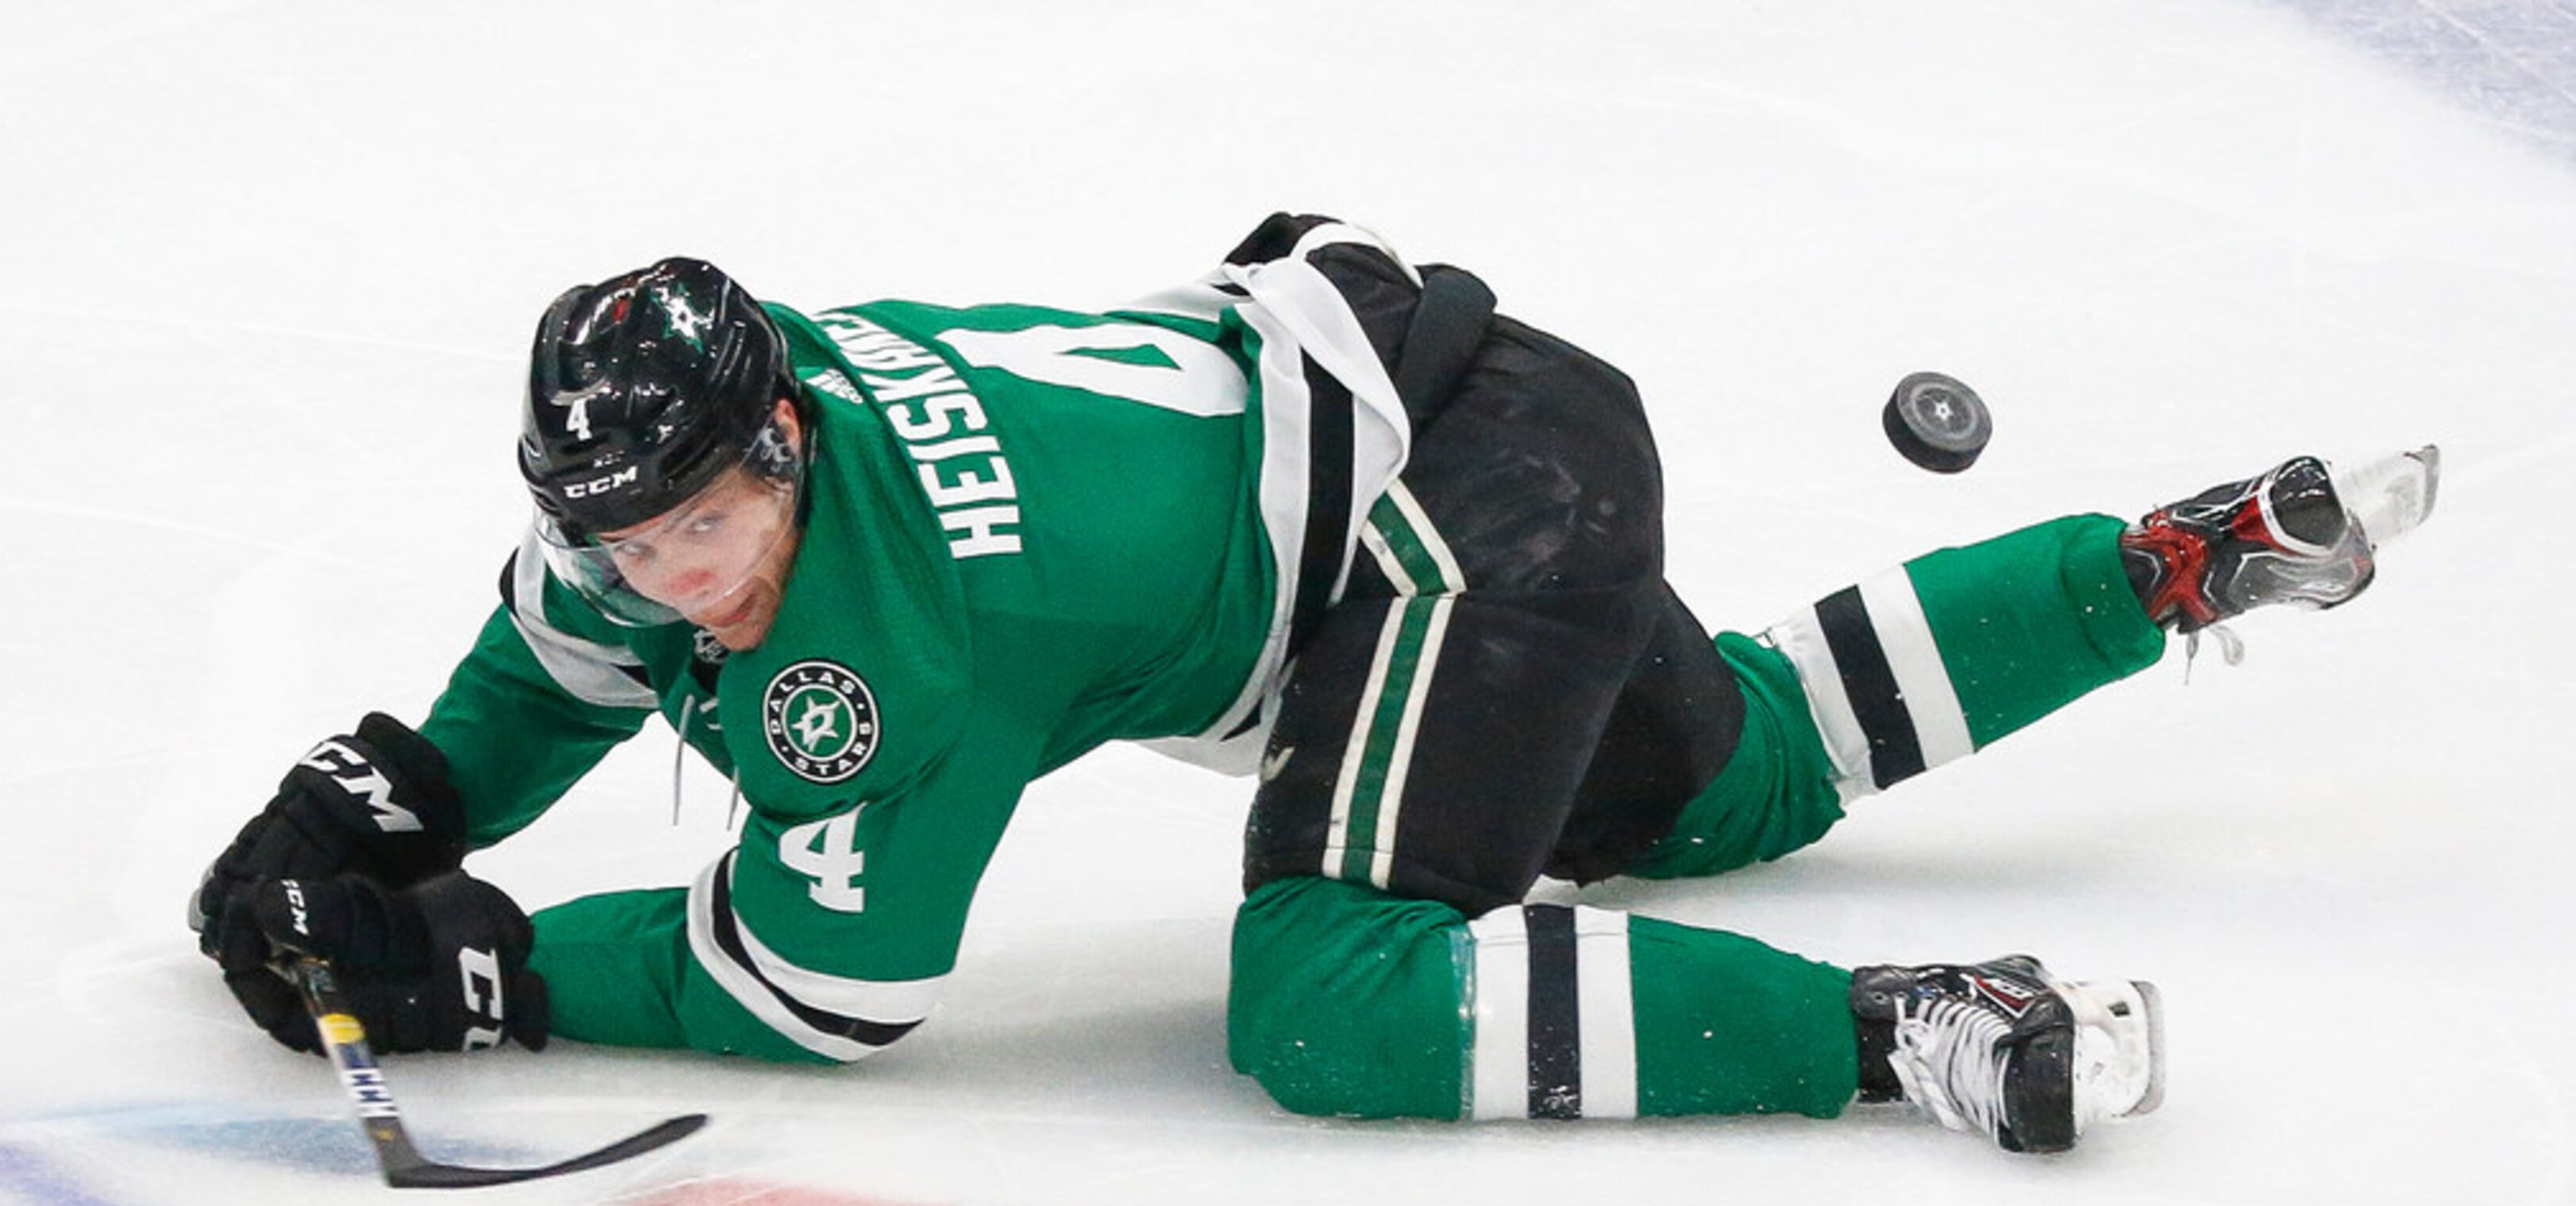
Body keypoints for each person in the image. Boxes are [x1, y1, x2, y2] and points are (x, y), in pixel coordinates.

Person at [189, 213, 2437, 1154]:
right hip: (1472, 419)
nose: (666, 579)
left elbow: (819, 988)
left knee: (1331, 999)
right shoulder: (725, 468)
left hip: (1457, 516)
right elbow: (568, 635)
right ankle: (2172, 565)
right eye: (620, 534)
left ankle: (1909, 1028)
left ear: (780, 445)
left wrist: (478, 966)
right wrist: (393, 796)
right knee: (1717, 771)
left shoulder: (903, 637)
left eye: (698, 528)